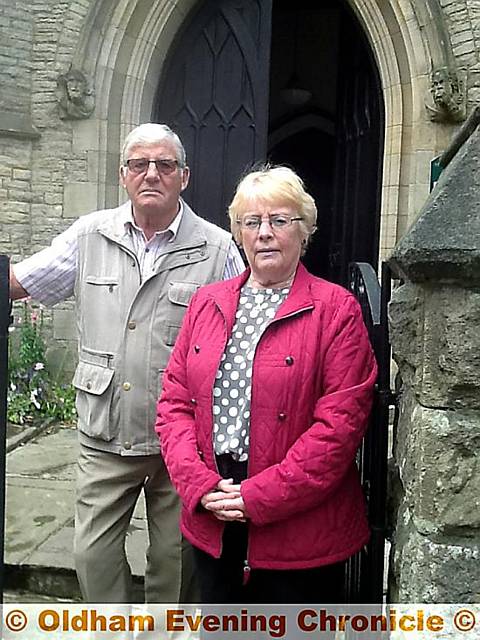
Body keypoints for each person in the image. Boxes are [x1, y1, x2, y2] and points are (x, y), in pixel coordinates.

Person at [9, 122, 244, 603]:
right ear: (124, 175)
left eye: (164, 165)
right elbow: (23, 280)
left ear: (185, 176)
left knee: (175, 561)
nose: (151, 174)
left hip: (181, 440)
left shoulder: (217, 248)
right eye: (140, 164)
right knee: (92, 554)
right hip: (105, 430)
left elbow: (244, 331)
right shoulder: (91, 234)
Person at [156, 165, 377, 604]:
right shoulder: (207, 302)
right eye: (252, 222)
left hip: (300, 531)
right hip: (214, 510)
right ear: (237, 233)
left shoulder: (336, 310)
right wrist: (199, 485)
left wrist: (258, 496)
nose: (265, 234)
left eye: (280, 220)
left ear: (305, 230)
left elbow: (339, 429)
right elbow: (174, 404)